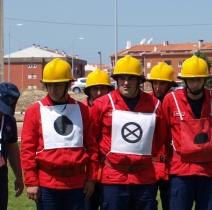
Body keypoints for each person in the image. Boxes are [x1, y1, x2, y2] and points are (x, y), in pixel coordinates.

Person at [21, 58, 99, 209]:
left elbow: (92, 147)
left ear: (68, 85)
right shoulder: (34, 111)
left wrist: (91, 178)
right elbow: (27, 150)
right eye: (49, 85)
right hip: (47, 184)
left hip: (76, 185)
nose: (52, 89)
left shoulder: (82, 111)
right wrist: (31, 181)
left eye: (57, 85)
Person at [91, 55, 166, 210]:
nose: (126, 83)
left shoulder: (155, 105)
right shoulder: (101, 104)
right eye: (122, 78)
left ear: (139, 81)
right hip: (113, 178)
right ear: (116, 80)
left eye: (131, 78)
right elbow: (92, 141)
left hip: (144, 178)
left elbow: (159, 139)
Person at [161, 55, 212, 210]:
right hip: (181, 171)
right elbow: (164, 135)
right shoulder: (170, 100)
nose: (195, 83)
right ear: (184, 80)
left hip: (208, 172)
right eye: (191, 79)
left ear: (205, 80)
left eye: (199, 79)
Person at [81, 69, 114, 210]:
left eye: (103, 88)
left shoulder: (116, 108)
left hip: (110, 170)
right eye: (95, 89)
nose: (99, 93)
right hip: (86, 169)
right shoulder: (79, 109)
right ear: (88, 90)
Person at [147, 62, 178, 210]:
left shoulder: (177, 103)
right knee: (147, 204)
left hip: (171, 164)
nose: (158, 87)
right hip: (149, 165)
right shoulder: (145, 103)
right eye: (155, 83)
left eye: (162, 83)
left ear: (169, 84)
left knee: (171, 204)